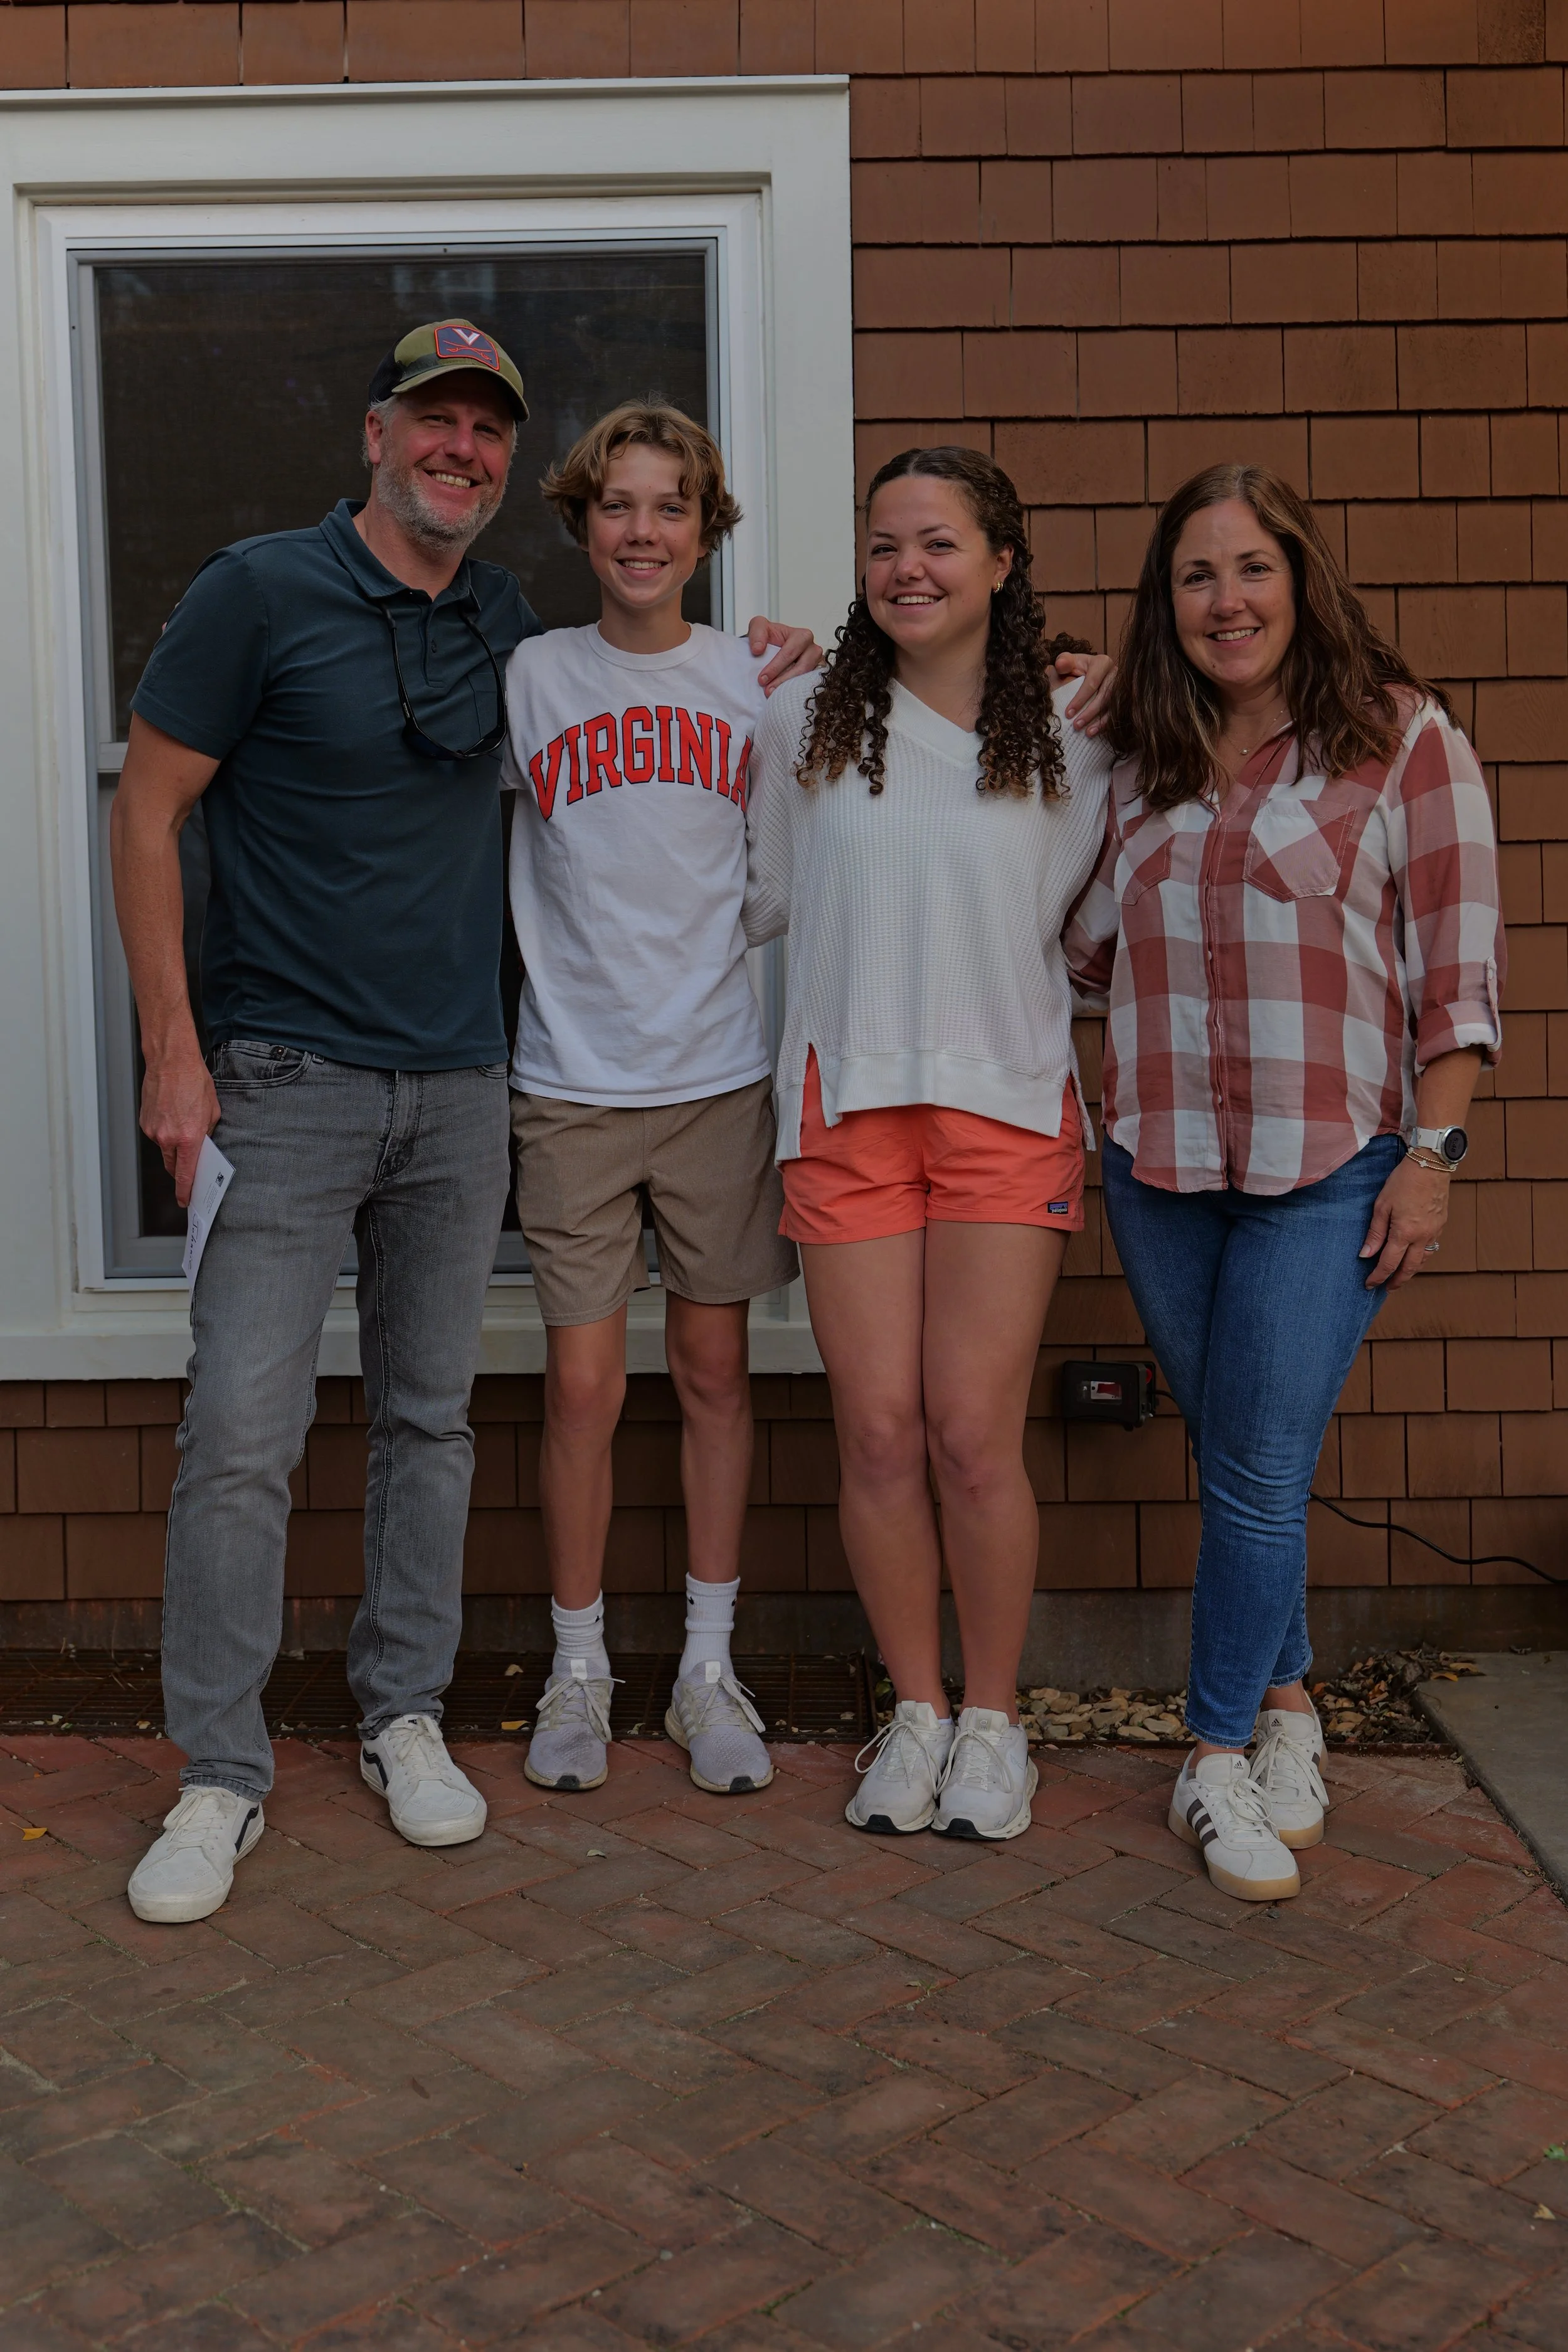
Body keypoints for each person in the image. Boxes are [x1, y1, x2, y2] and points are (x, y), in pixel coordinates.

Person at [110, 324, 817, 1924]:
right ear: (374, 433)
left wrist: (778, 653)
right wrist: (174, 1049)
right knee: (239, 1435)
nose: (461, 450)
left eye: (487, 431)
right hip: (282, 1080)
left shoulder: (505, 625)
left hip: (461, 1085)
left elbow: (673, 760)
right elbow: (146, 808)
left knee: (429, 1422)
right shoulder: (255, 591)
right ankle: (219, 1774)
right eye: (435, 421)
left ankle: (400, 1714)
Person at [1064, 463, 1504, 1904]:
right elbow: (1074, 948)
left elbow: (1458, 991)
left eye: (1249, 569)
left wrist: (1428, 1167)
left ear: (1300, 578)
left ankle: (1206, 1756)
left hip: (1329, 1173)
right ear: (1162, 604)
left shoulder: (1403, 744)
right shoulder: (1131, 756)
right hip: (1161, 1168)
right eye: (1193, 576)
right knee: (1247, 1460)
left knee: (1252, 1473)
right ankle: (1291, 1707)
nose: (1224, 600)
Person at [745, 445, 1115, 1842]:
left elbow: (1246, 699)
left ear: (1000, 564)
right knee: (880, 1431)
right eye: (885, 543)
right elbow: (747, 890)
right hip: (842, 1108)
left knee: (970, 1435)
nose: (908, 566)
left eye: (940, 543)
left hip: (1007, 1107)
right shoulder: (799, 719)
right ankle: (911, 1711)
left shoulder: (1085, 718)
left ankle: (992, 1723)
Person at [499, 403, 800, 1798]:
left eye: (668, 506)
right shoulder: (532, 679)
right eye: (616, 505)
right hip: (568, 1080)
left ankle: (703, 1664)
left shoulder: (753, 683)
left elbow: (778, 866)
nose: (640, 530)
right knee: (578, 1384)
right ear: (580, 524)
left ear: (704, 527)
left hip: (714, 1081)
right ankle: (577, 1666)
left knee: (714, 1374)